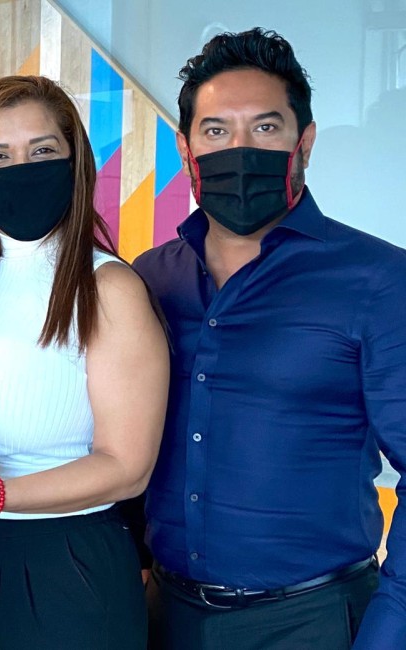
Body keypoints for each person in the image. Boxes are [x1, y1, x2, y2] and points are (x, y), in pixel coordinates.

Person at [131, 28, 406, 649]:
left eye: (265, 127)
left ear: (304, 142)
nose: (239, 149)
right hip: (162, 614)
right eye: (216, 130)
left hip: (311, 621)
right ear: (185, 147)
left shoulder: (379, 280)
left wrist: (388, 632)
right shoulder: (150, 278)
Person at [0, 75, 170, 649]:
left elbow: (127, 467)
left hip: (65, 562)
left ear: (75, 163)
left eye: (42, 151)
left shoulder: (108, 288)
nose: (21, 169)